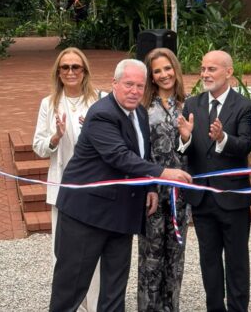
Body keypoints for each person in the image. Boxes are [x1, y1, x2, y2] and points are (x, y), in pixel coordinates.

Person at [49, 59, 192, 312]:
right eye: (128, 84)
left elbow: (141, 154)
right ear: (114, 83)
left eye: (140, 85)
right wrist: (163, 174)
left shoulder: (139, 113)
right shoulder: (102, 114)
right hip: (86, 214)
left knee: (115, 291)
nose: (135, 91)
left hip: (121, 215)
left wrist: (149, 187)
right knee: (71, 288)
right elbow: (119, 156)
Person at [178, 50, 251, 312]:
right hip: (202, 199)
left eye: (211, 69)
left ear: (228, 72)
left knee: (237, 261)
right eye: (203, 69)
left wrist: (223, 138)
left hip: (233, 198)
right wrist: (185, 138)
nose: (205, 74)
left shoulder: (244, 106)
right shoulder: (192, 104)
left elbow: (245, 144)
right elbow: (187, 150)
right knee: (208, 261)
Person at [33, 47, 102, 312]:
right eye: (65, 67)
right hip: (63, 187)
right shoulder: (48, 104)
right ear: (58, 72)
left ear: (85, 71)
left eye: (76, 67)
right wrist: (55, 137)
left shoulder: (99, 100)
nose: (70, 72)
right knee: (62, 252)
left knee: (94, 250)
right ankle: (67, 305)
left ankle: (94, 304)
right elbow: (39, 146)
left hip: (93, 187)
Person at [138, 48, 189, 312]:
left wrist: (187, 138)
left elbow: (194, 150)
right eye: (157, 71)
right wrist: (147, 185)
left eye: (167, 68)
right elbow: (139, 152)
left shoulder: (188, 105)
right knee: (151, 256)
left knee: (175, 257)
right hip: (153, 193)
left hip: (180, 194)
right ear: (151, 76)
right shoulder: (142, 108)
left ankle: (171, 307)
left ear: (175, 69)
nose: (164, 74)